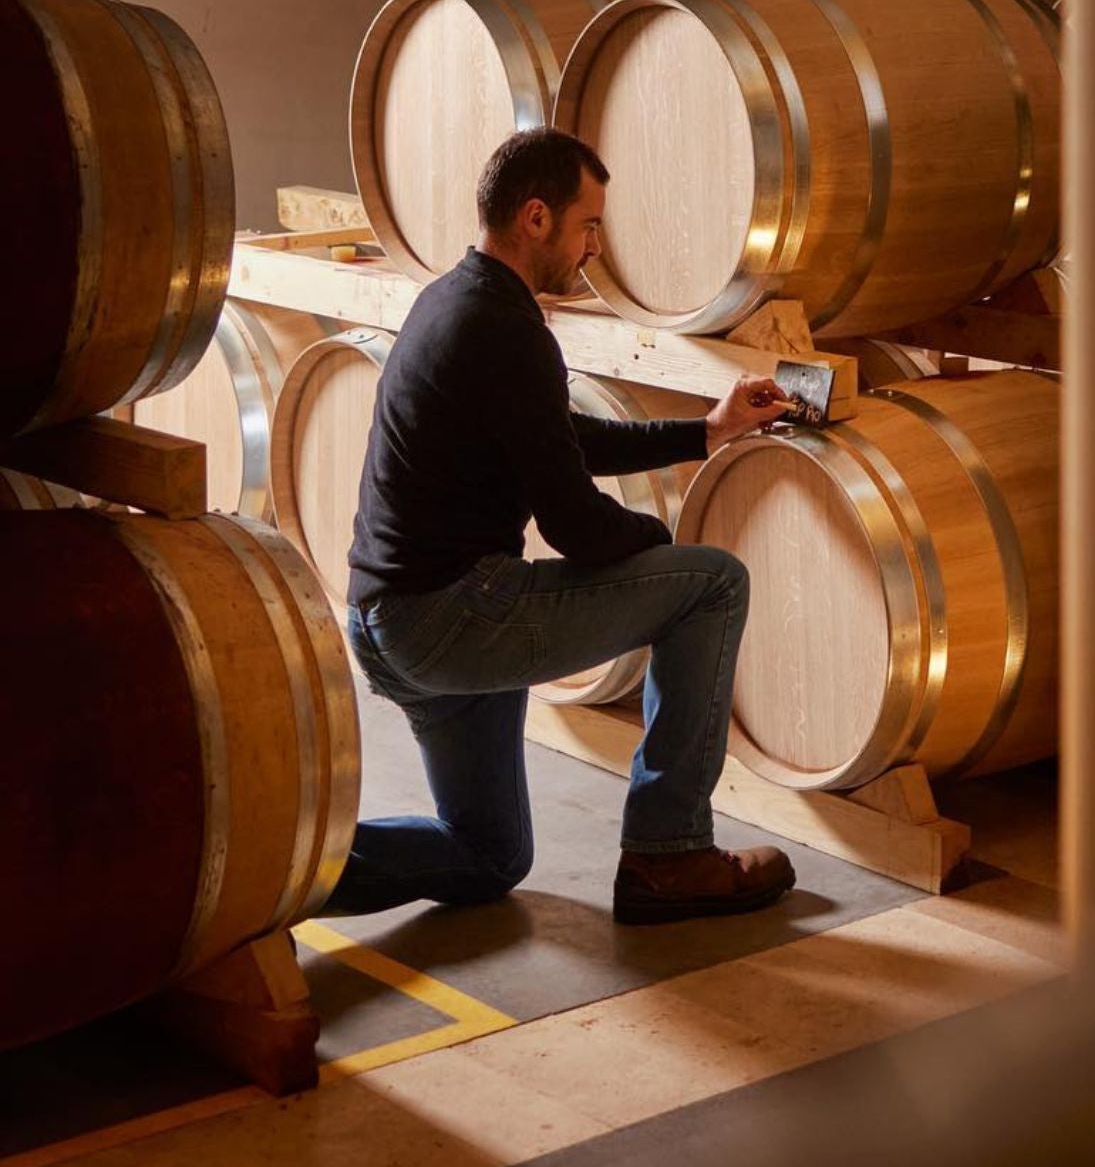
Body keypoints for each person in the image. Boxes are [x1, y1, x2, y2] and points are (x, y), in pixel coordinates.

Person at [323, 126, 797, 926]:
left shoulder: (457, 299)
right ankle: (669, 855)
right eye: (588, 226)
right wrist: (660, 559)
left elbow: (562, 437)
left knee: (490, 856)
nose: (592, 249)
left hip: (388, 620)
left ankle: (285, 873)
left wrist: (705, 432)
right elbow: (576, 525)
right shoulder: (506, 329)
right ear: (536, 218)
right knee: (713, 584)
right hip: (449, 617)